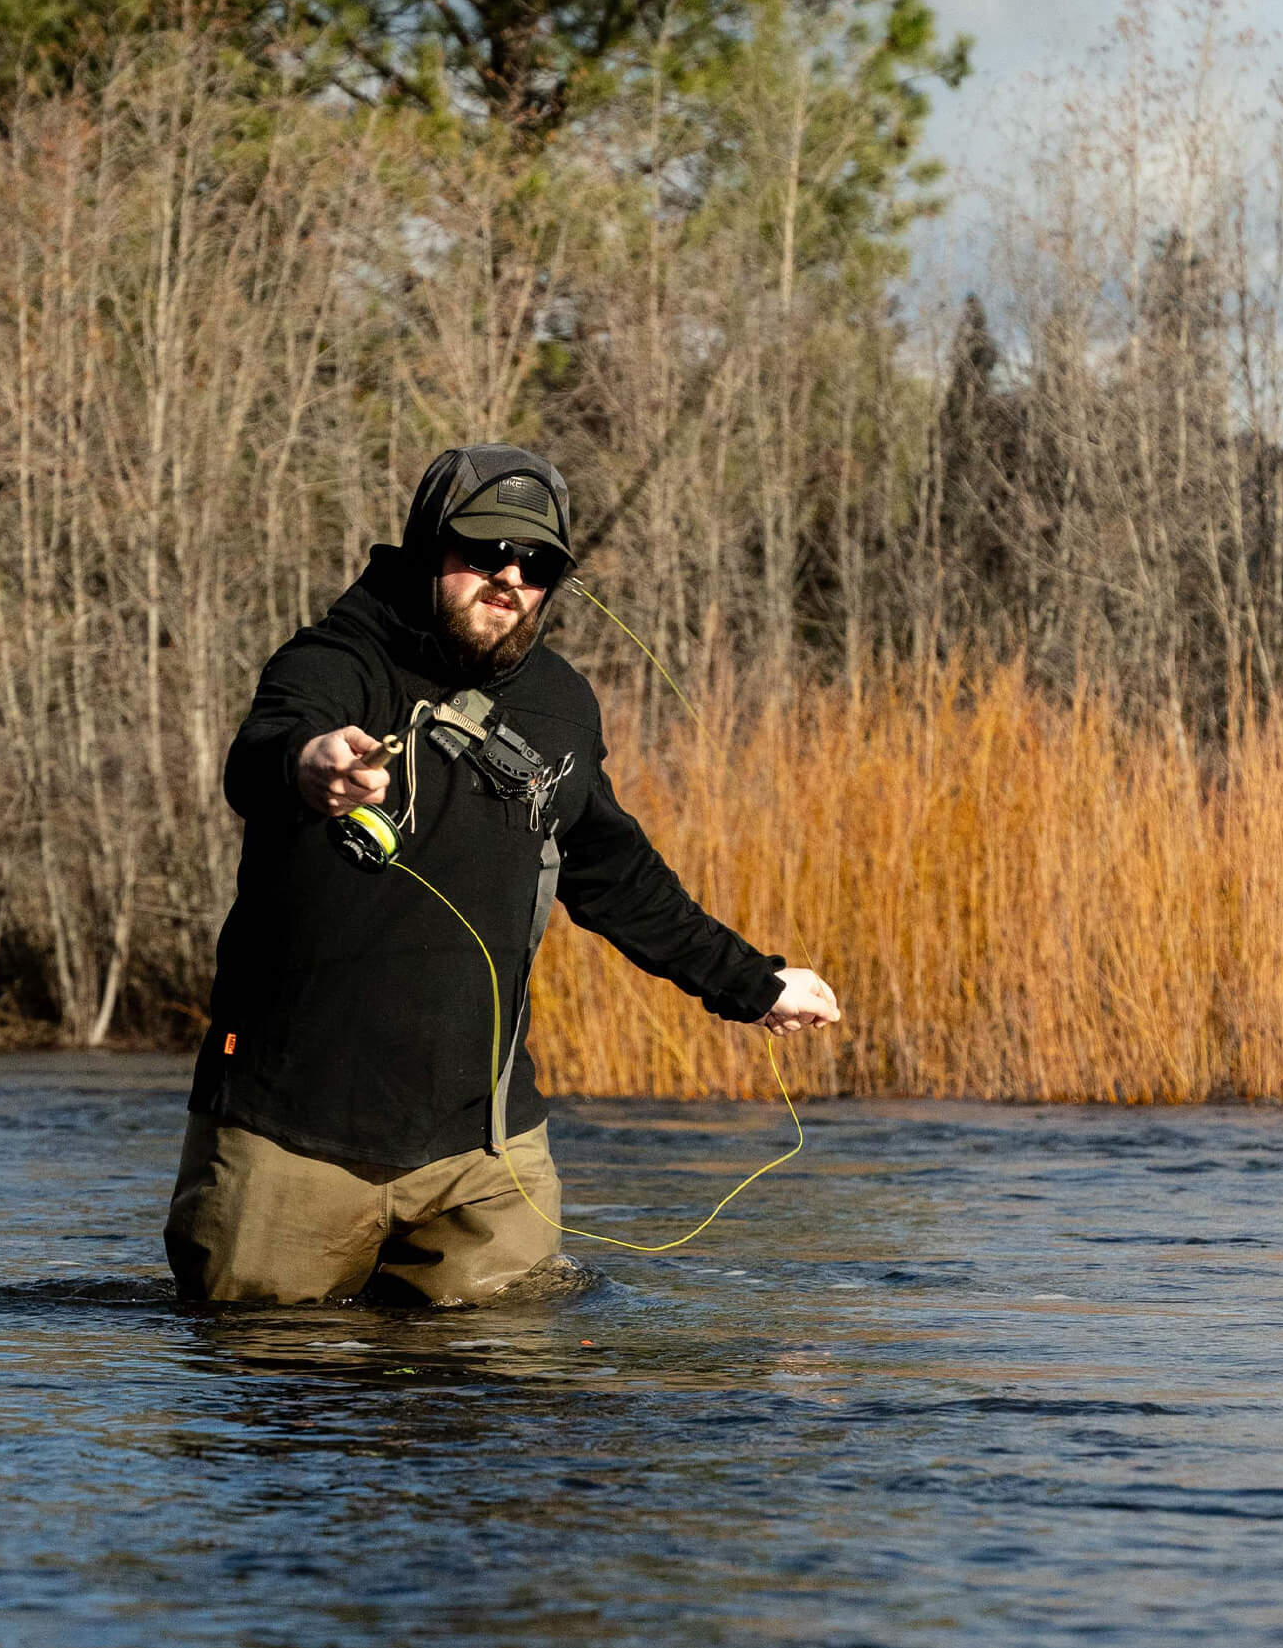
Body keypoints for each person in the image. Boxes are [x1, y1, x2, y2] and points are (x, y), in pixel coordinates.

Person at [165, 445, 840, 1305]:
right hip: (287, 1137)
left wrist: (752, 983)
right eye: (483, 552)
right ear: (424, 548)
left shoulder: (559, 706)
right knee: (276, 1403)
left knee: (503, 1401)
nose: (510, 576)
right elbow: (262, 751)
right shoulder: (333, 662)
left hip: (487, 1157)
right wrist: (312, 764)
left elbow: (615, 875)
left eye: (537, 562)